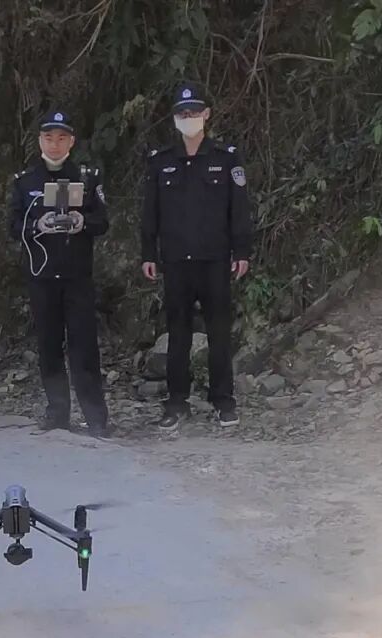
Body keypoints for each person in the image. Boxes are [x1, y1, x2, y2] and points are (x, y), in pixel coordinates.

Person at [139, 82, 254, 429]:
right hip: (176, 261)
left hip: (215, 259)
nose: (188, 118)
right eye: (182, 113)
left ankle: (223, 401)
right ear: (175, 118)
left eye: (193, 112)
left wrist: (242, 250)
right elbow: (150, 212)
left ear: (206, 114)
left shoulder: (225, 158)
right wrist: (148, 253)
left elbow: (239, 209)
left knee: (219, 333)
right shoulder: (161, 162)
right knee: (178, 334)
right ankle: (177, 403)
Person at [9, 110, 112, 436]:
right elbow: (12, 225)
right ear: (40, 140)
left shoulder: (87, 177)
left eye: (61, 138)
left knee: (84, 348)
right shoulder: (25, 181)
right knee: (49, 346)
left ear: (71, 141)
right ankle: (57, 413)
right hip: (42, 275)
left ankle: (95, 418)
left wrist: (82, 221)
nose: (55, 144)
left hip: (77, 275)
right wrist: (36, 224)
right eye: (49, 137)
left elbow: (102, 221)